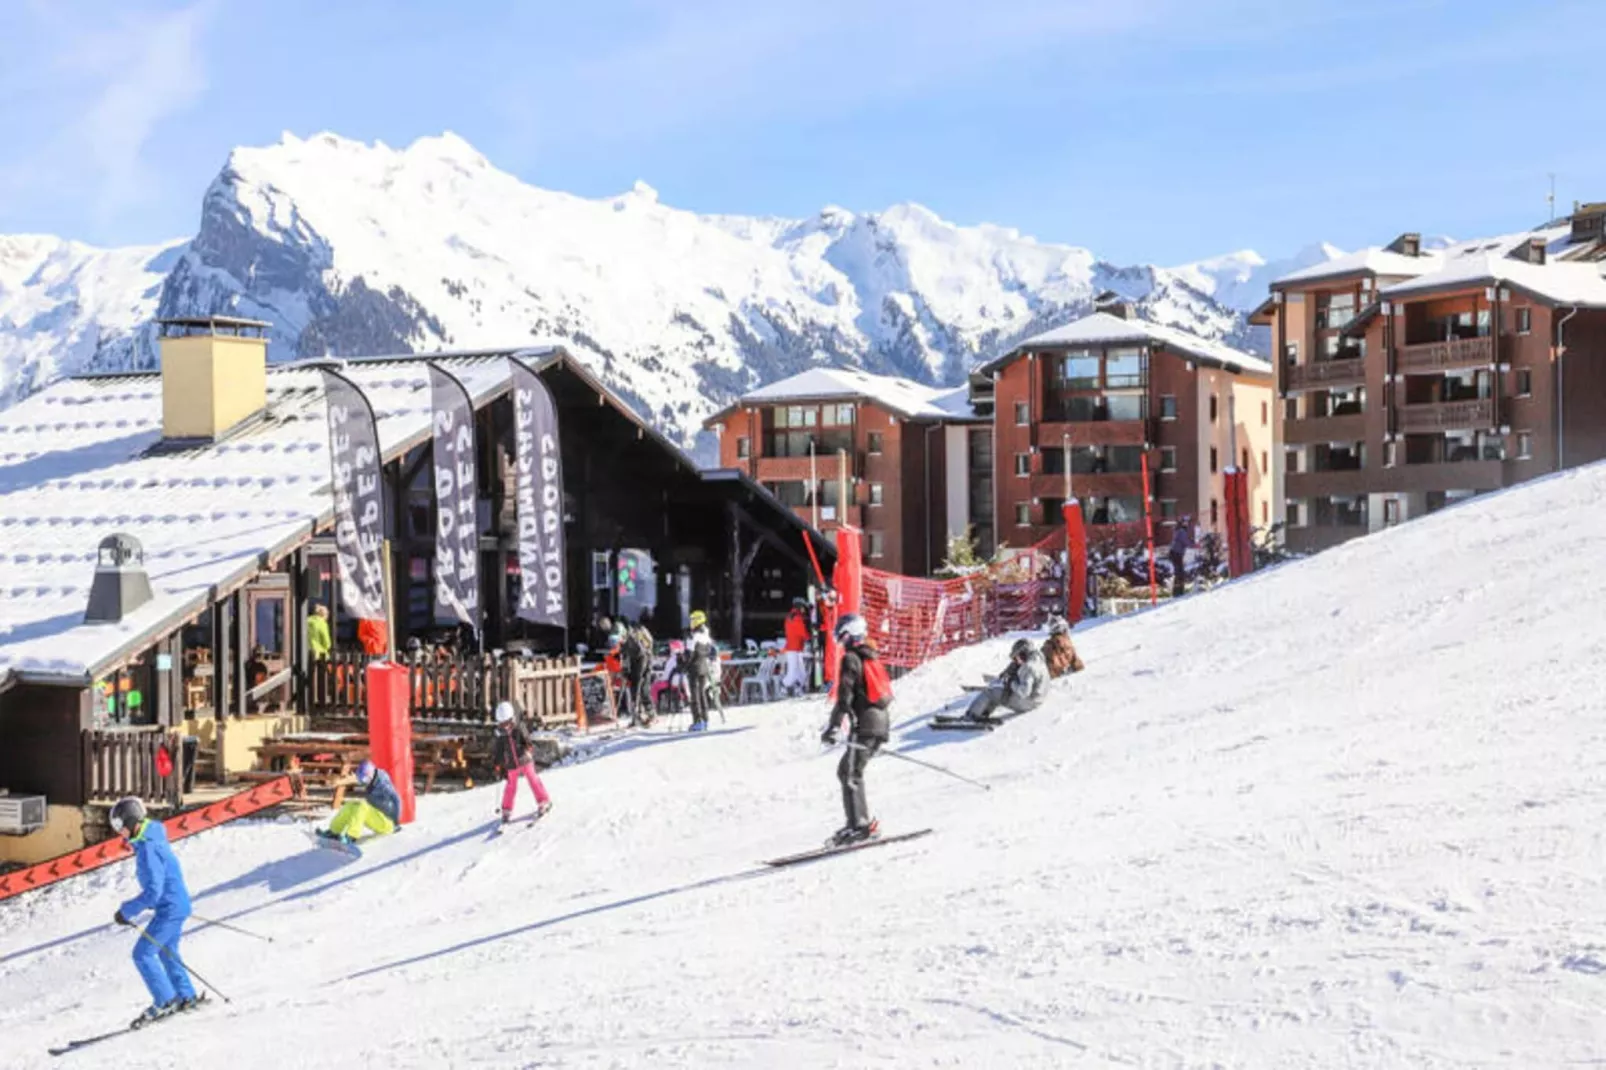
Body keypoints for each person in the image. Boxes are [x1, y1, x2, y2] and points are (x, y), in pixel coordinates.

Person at [110, 797, 201, 1028]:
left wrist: (126, 911)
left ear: (132, 822)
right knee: (166, 951)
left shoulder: (148, 848)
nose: (120, 833)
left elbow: (153, 891)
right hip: (174, 904)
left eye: (121, 827)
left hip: (170, 908)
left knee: (143, 953)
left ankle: (165, 1000)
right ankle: (185, 995)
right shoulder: (151, 839)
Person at [820, 613, 891, 845]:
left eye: (842, 637)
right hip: (879, 722)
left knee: (849, 773)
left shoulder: (851, 658)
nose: (840, 642)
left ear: (850, 634)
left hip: (865, 725)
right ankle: (858, 823)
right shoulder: (870, 655)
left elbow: (845, 697)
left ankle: (860, 825)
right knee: (850, 771)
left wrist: (833, 727)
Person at [492, 701, 552, 825]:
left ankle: (543, 801)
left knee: (533, 779)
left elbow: (527, 740)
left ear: (511, 719)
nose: (505, 726)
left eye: (507, 723)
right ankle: (506, 810)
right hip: (511, 763)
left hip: (524, 759)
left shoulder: (519, 727)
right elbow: (499, 750)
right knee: (510, 786)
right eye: (502, 724)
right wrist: (498, 763)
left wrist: (529, 748)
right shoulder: (500, 735)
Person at [965, 638, 1048, 723]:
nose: (1017, 661)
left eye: (1017, 657)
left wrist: (1011, 683)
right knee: (998, 693)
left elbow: (1024, 692)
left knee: (990, 692)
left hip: (1029, 702)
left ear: (1023, 653)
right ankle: (983, 713)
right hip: (1038, 699)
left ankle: (971, 715)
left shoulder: (1028, 667)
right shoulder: (1038, 659)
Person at [323, 759, 401, 844]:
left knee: (362, 806)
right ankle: (334, 831)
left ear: (370, 775)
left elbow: (396, 799)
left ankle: (351, 836)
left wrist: (396, 822)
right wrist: (338, 782)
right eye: (362, 779)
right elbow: (355, 779)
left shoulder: (383, 784)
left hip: (387, 823)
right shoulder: (372, 778)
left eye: (364, 779)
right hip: (377, 815)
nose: (363, 782)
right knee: (351, 804)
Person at [684, 610, 718, 732]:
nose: (691, 622)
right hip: (704, 667)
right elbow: (712, 652)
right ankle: (705, 720)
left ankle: (698, 721)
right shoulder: (706, 634)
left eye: (692, 620)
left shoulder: (694, 636)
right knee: (702, 694)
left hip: (694, 668)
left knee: (695, 696)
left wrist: (682, 662)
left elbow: (689, 654)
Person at [620, 618, 654, 726]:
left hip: (644, 664)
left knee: (643, 691)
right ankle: (636, 717)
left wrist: (639, 675)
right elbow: (624, 657)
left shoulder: (636, 641)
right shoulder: (625, 643)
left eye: (623, 637)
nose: (622, 640)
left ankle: (651, 715)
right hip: (635, 665)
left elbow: (643, 656)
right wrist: (625, 671)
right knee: (634, 691)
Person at [780, 598, 810, 697]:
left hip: (793, 647)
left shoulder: (790, 616)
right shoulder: (797, 617)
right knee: (793, 671)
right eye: (803, 608)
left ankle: (798, 688)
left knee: (799, 671)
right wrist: (809, 637)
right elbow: (802, 632)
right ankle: (783, 685)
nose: (804, 610)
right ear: (799, 607)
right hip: (795, 648)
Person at [1169, 516, 1195, 598]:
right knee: (1179, 572)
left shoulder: (1180, 530)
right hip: (1176, 553)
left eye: (1187, 522)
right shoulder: (1181, 531)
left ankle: (1178, 591)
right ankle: (1178, 591)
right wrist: (1194, 545)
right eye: (1185, 522)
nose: (1187, 524)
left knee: (1179, 572)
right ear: (1182, 523)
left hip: (1176, 553)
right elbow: (1186, 542)